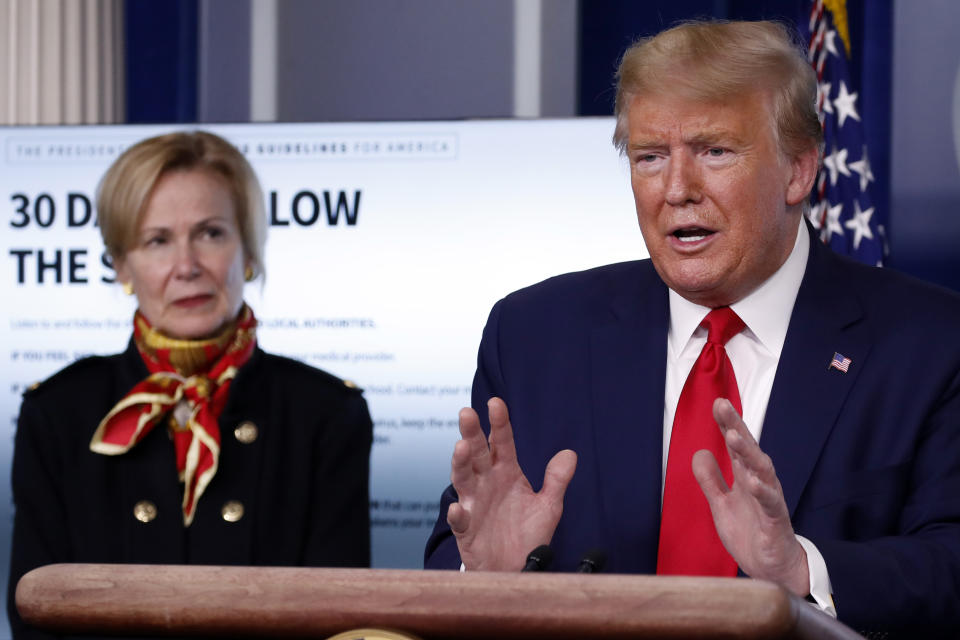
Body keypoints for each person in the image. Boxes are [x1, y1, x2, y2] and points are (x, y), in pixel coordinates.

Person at [424, 20, 960, 637]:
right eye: (651, 158)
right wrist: (484, 577)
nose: (678, 190)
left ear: (799, 171)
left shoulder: (929, 345)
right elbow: (452, 557)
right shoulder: (535, 336)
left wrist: (802, 570)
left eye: (715, 151)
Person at [8, 131, 373, 638]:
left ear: (247, 250)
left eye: (211, 233)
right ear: (121, 265)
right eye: (157, 240)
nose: (187, 266)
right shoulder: (57, 415)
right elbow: (36, 616)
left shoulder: (327, 414)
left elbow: (342, 618)